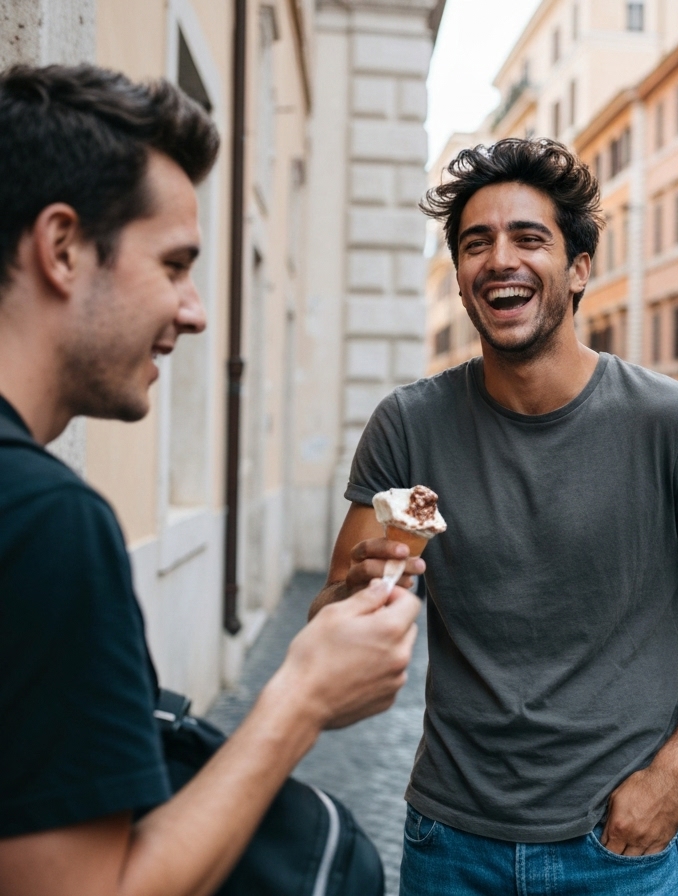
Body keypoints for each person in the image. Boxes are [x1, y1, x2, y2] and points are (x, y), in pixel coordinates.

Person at [309, 138, 678, 894]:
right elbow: (330, 619)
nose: (500, 259)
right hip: (450, 842)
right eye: (476, 243)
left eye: (529, 238)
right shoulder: (409, 426)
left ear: (579, 268)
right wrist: (363, 593)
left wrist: (675, 775)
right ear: (461, 280)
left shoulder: (676, 423)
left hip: (618, 849)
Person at [0, 64, 422, 895]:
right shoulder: (46, 521)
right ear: (61, 248)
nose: (195, 310)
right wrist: (301, 696)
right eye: (174, 264)